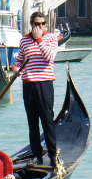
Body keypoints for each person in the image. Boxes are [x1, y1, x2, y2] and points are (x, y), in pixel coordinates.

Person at [11, 11, 58, 165]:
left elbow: (49, 57)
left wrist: (39, 40)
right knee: (32, 122)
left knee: (47, 120)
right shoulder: (24, 40)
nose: (40, 26)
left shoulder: (51, 38)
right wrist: (15, 69)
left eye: (42, 24)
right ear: (31, 24)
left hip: (45, 84)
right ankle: (37, 155)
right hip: (29, 85)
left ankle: (52, 155)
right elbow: (19, 61)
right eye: (37, 24)